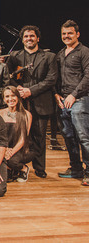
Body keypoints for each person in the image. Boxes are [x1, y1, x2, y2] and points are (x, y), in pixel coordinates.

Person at [6, 25, 57, 178]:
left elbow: (51, 79)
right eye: (26, 36)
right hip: (20, 102)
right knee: (18, 135)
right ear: (22, 40)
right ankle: (18, 165)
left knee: (39, 136)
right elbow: (7, 77)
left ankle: (39, 168)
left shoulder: (49, 57)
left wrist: (30, 91)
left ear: (38, 38)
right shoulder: (14, 56)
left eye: (32, 36)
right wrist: (18, 89)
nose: (29, 38)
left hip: (40, 102)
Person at [55, 20, 89, 185]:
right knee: (68, 136)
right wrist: (56, 94)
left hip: (79, 99)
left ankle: (88, 172)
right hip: (63, 101)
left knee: (83, 137)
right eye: (64, 34)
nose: (66, 36)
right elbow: (56, 77)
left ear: (77, 34)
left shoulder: (84, 52)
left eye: (70, 33)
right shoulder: (61, 53)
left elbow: (88, 76)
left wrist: (74, 95)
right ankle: (76, 168)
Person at [0, 86, 33, 182]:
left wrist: (10, 153)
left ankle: (23, 169)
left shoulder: (26, 115)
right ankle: (9, 169)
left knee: (12, 161)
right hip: (5, 147)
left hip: (21, 149)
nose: (10, 99)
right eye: (7, 96)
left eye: (13, 96)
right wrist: (4, 151)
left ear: (18, 97)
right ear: (4, 99)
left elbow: (23, 139)